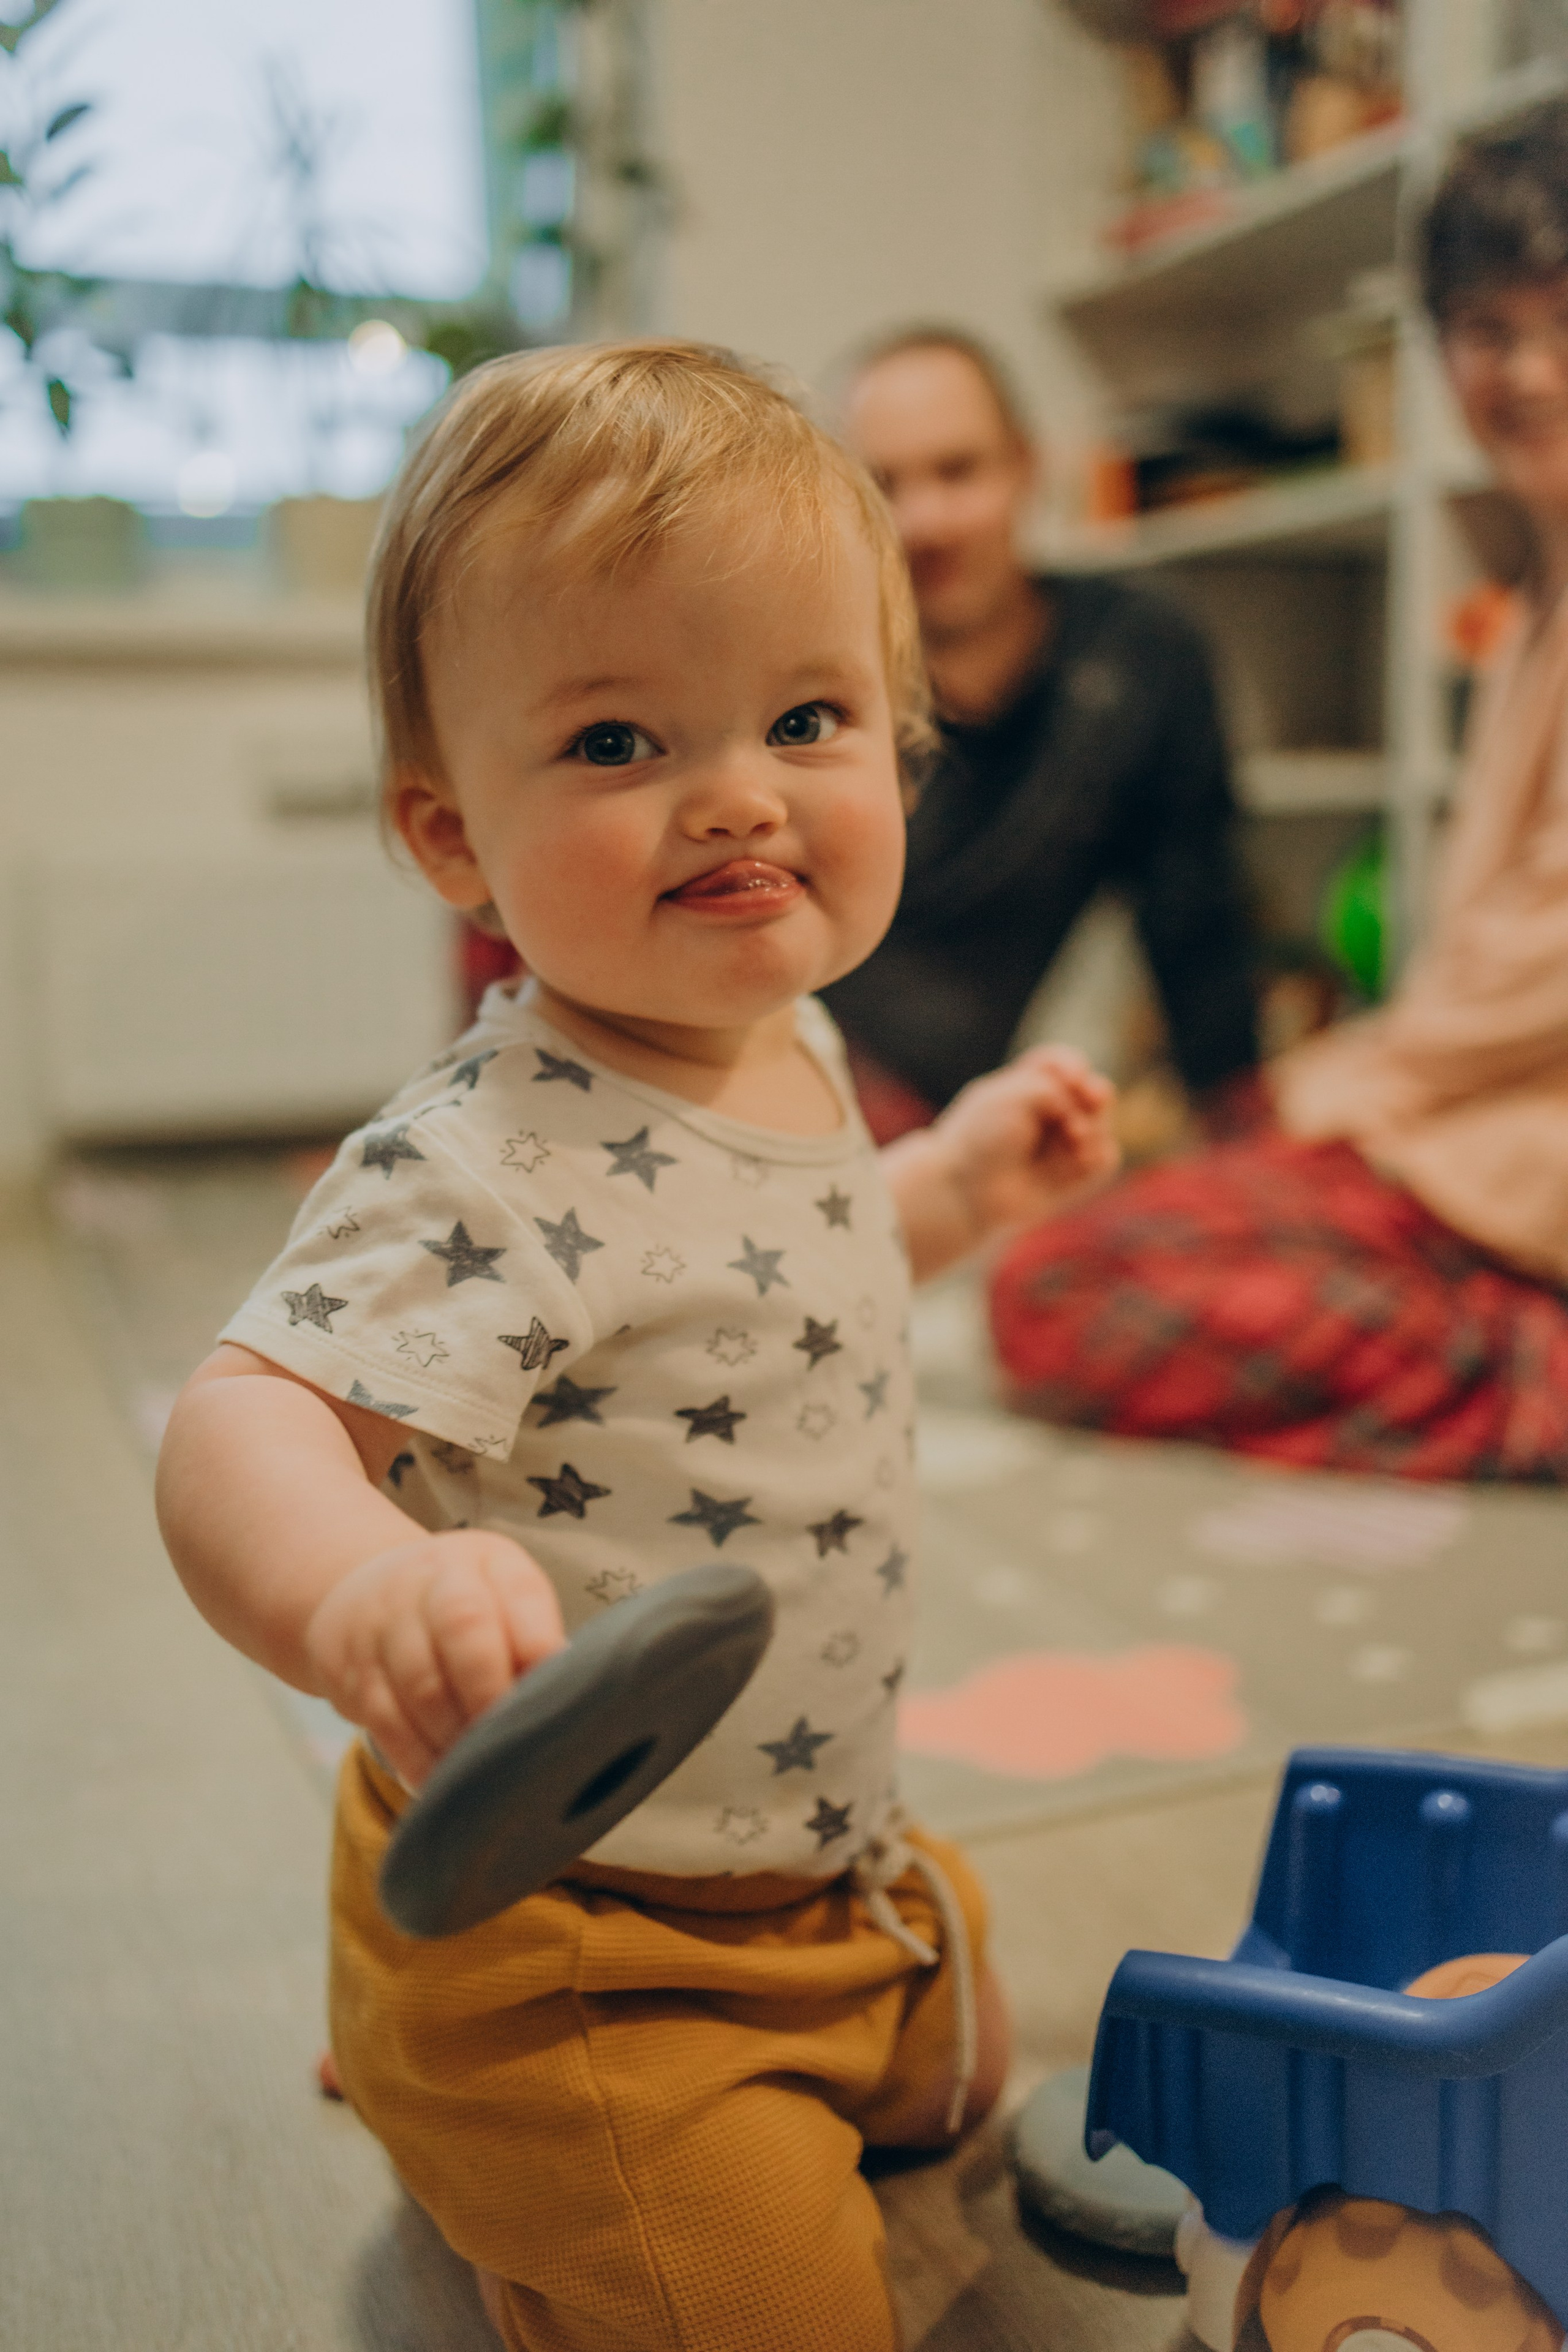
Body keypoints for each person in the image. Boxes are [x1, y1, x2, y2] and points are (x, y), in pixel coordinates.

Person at [154, 342, 1119, 2352]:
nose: (741, 794)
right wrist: (360, 1593)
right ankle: (464, 2099)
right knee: (777, 2312)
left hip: (824, 1858)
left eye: (806, 719)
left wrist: (954, 1184)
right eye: (616, 741)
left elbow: (792, 1268)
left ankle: (525, 2091)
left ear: (899, 743)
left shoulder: (788, 1035)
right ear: (450, 835)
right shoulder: (481, 1164)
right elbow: (239, 1424)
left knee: (968, 2068)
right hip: (577, 1932)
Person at [991, 101, 1568, 1485]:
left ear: (1018, 474)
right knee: (1081, 1248)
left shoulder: (1130, 647)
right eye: (1486, 332)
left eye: (1562, 324)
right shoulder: (1533, 592)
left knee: (1063, 1287)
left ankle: (1525, 1373)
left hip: (1499, 1157)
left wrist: (1320, 1087)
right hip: (1455, 1128)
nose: (1530, 371)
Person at [820, 326, 1260, 1134]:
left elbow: (1196, 926)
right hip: (785, 1080)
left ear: (1027, 466)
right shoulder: (805, 682)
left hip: (955, 1121)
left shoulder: (1138, 654)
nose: (926, 521)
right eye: (884, 484)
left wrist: (1247, 1131)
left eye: (958, 470)